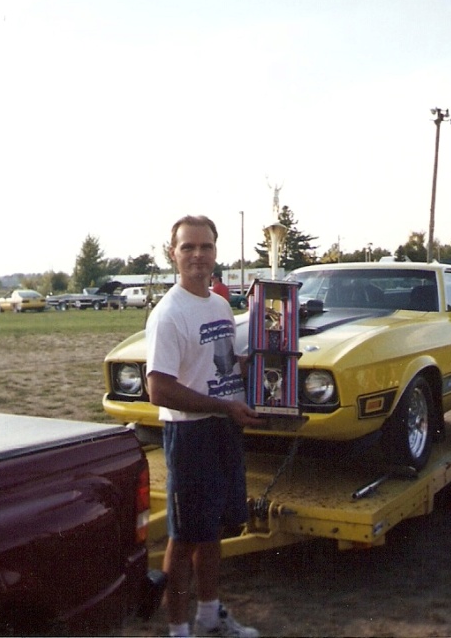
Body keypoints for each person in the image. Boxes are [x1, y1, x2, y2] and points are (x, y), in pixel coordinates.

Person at [146, 215, 265, 638]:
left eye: (206, 247)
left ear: (217, 252)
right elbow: (158, 389)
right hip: (191, 435)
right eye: (188, 247)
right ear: (172, 254)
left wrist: (271, 366)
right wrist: (221, 406)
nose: (198, 255)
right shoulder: (168, 314)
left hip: (222, 429)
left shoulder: (217, 304)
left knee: (212, 528)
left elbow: (224, 363)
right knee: (184, 539)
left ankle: (210, 615)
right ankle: (179, 631)